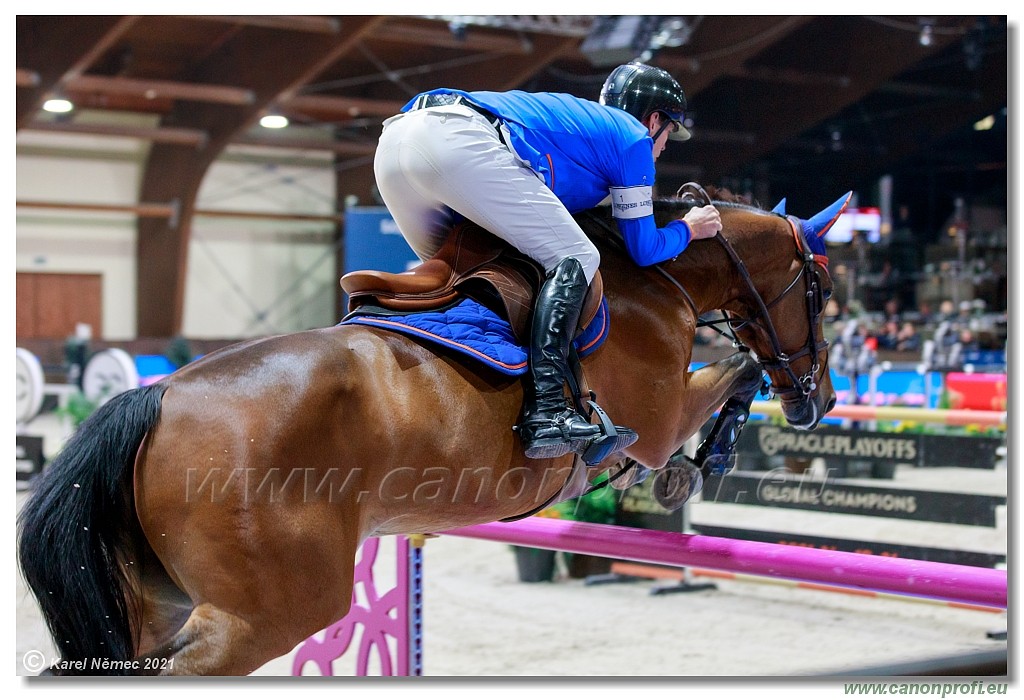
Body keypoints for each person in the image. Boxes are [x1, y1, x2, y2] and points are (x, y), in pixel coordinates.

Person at [373, 62, 722, 461]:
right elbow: (643, 249)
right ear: (654, 119)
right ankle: (548, 410)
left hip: (395, 144)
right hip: (455, 142)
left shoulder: (587, 133)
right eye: (669, 135)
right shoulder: (633, 139)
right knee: (577, 255)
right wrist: (689, 228)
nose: (662, 148)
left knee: (463, 272)